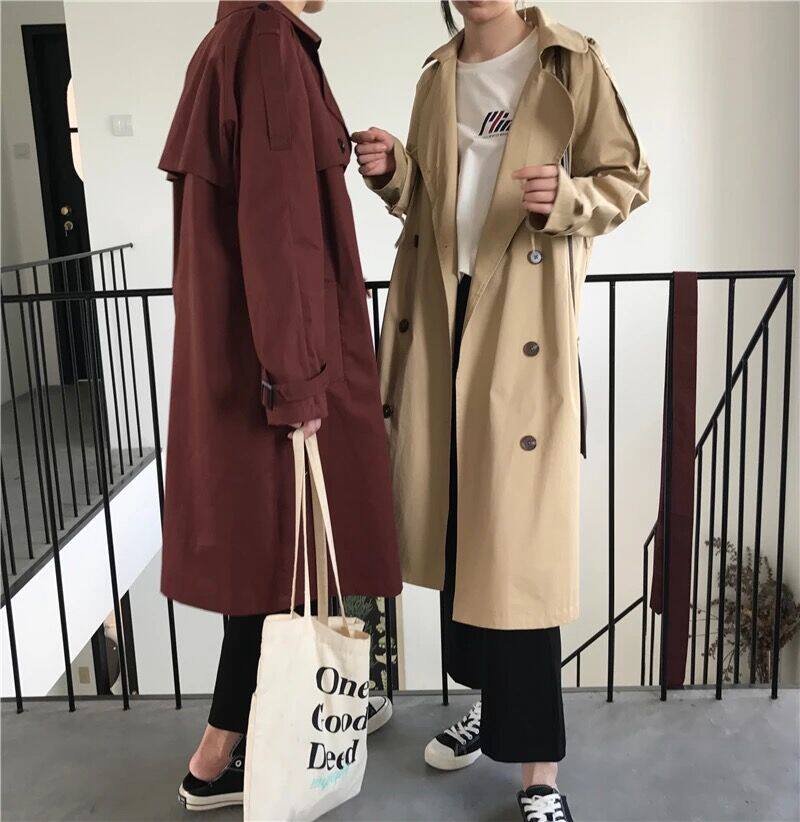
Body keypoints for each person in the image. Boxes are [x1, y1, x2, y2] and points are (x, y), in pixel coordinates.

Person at [355, 2, 649, 819]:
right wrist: (394, 172)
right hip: (439, 323)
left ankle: (539, 775)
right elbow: (431, 202)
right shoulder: (438, 75)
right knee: (460, 535)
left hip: (522, 326)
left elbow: (628, 179)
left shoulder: (570, 64)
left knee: (518, 553)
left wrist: (569, 196)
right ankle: (490, 710)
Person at [159, 0, 402, 811]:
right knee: (281, 564)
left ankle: (236, 745)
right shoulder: (268, 42)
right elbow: (281, 228)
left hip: (246, 359)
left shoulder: (231, 38)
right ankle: (220, 754)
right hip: (279, 365)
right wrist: (300, 381)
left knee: (273, 559)